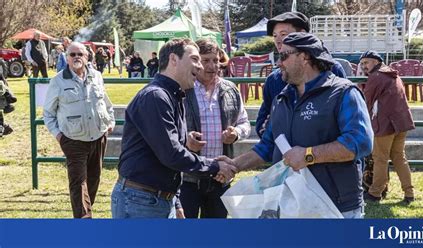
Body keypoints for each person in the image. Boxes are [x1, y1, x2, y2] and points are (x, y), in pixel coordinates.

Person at [231, 32, 373, 219]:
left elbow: (360, 142)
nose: (279, 63)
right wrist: (233, 165)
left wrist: (308, 155)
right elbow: (268, 146)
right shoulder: (282, 98)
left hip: (336, 206)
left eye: (284, 56)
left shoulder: (343, 93)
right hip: (290, 204)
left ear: (304, 56)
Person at [111, 38, 237, 219]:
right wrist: (215, 166)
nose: (200, 67)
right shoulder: (156, 97)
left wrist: (174, 200)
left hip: (157, 198)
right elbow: (171, 153)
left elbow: (170, 155)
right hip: (141, 201)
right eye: (195, 59)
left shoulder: (174, 96)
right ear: (173, 59)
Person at [43, 42, 115, 218]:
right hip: (73, 140)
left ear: (87, 56)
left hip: (98, 137)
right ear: (66, 58)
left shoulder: (97, 76)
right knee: (78, 182)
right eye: (72, 54)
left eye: (80, 54)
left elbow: (105, 102)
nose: (76, 57)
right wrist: (59, 136)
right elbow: (48, 113)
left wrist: (110, 122)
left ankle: (85, 212)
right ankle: (84, 221)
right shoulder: (58, 81)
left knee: (93, 180)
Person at [181, 38, 251, 218]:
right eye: (206, 60)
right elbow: (168, 129)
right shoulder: (183, 89)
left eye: (216, 60)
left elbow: (245, 123)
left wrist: (236, 133)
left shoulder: (230, 89)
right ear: (196, 62)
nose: (213, 65)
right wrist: (186, 139)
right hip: (187, 177)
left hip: (220, 176)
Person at [255, 12, 347, 138]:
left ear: (302, 34)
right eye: (275, 35)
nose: (278, 40)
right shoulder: (274, 80)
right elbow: (262, 122)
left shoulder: (333, 70)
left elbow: (353, 135)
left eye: (283, 34)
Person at [359, 50, 415, 204]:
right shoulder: (393, 74)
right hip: (401, 122)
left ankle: (375, 193)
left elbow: (366, 102)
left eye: (367, 62)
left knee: (380, 159)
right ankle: (409, 193)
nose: (364, 66)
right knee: (399, 157)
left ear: (377, 62)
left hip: (385, 124)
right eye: (362, 63)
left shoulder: (376, 77)